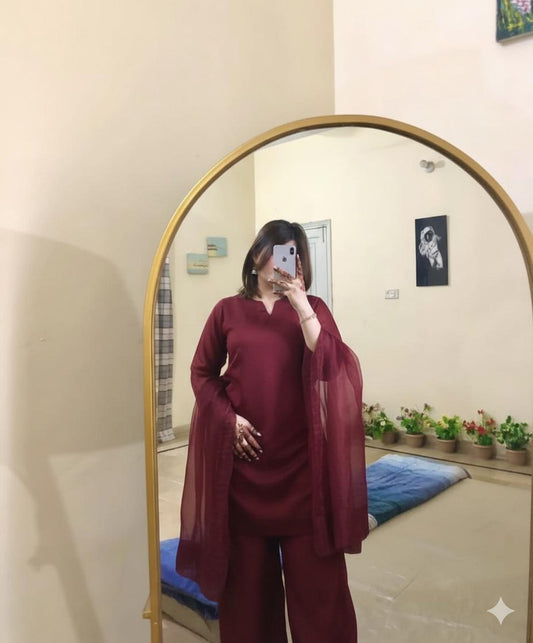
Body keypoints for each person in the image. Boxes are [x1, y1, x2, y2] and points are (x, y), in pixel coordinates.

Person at [176, 220, 368, 643]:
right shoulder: (226, 310)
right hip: (244, 473)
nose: (280, 260)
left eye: (291, 252)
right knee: (248, 595)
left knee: (320, 591)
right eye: (274, 250)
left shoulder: (312, 307)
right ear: (256, 255)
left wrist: (299, 303)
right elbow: (202, 373)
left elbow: (332, 364)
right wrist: (228, 420)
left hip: (303, 472)